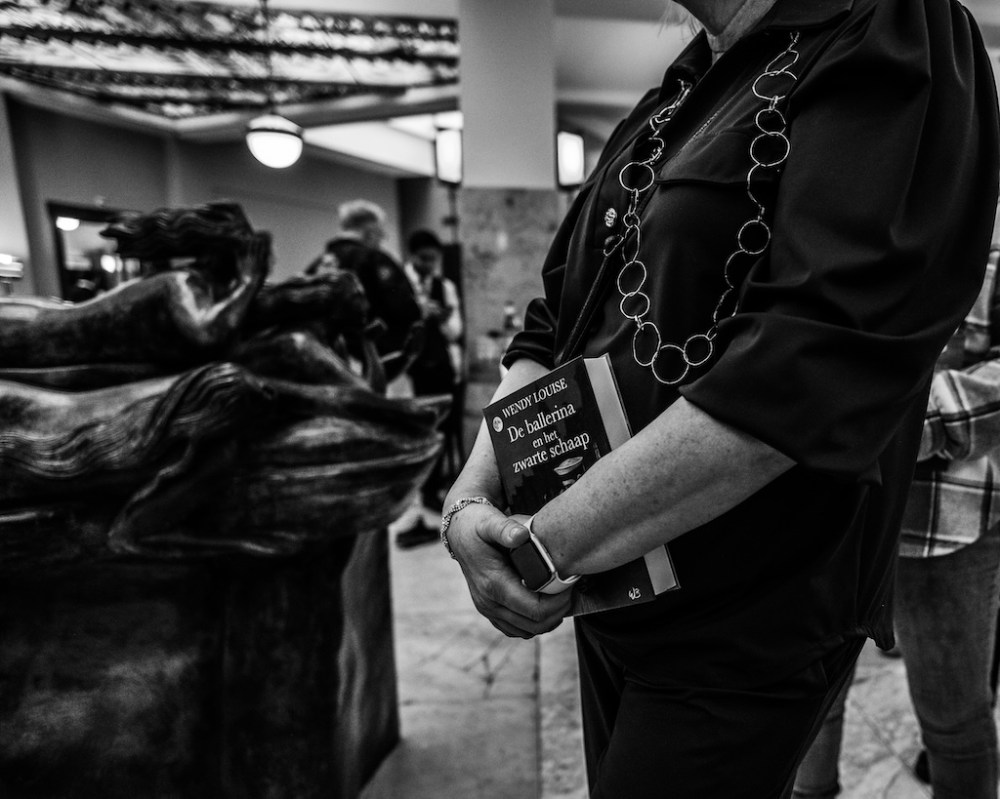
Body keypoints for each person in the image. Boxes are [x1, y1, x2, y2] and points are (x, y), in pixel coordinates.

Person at [439, 1, 1000, 796]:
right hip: (612, 579)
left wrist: (543, 549)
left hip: (743, 611)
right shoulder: (687, 81)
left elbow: (809, 369)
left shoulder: (886, 24)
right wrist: (469, 500)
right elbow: (552, 321)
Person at [794, 242, 1000, 799]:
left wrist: (893, 421)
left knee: (954, 720)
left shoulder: (989, 236)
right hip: (825, 506)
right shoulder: (839, 223)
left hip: (945, 517)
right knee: (808, 701)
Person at [395, 229, 466, 548]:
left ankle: (434, 489)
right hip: (412, 372)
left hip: (442, 369)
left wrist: (441, 317)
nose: (429, 265)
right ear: (412, 255)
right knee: (417, 432)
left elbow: (455, 331)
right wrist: (418, 311)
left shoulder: (445, 287)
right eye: (424, 258)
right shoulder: (399, 285)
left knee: (442, 432)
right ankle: (416, 495)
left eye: (433, 259)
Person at [306, 199, 420, 366]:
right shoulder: (374, 259)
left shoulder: (317, 265)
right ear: (370, 230)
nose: (383, 237)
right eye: (381, 231)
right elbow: (403, 307)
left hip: (325, 357)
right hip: (370, 357)